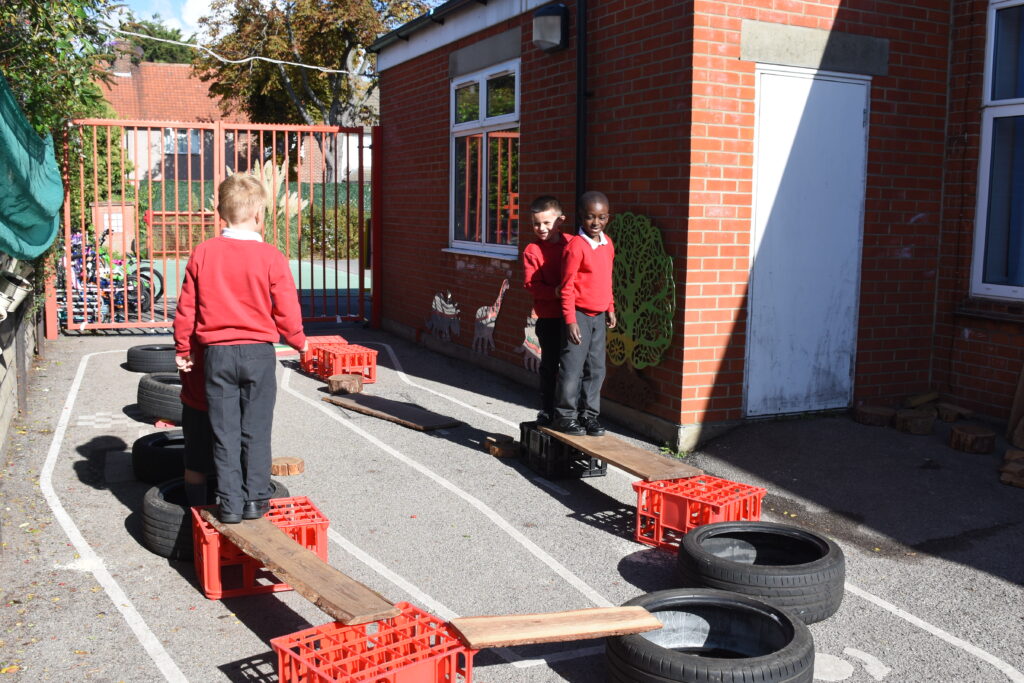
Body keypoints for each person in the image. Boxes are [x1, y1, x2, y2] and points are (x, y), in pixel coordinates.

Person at [173, 174, 307, 524]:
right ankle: (255, 499)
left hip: (217, 355)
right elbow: (286, 306)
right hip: (258, 354)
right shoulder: (270, 256)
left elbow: (187, 307)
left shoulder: (203, 252)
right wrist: (298, 340)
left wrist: (183, 348)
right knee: (256, 429)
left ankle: (229, 503)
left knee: (224, 430)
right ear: (260, 215)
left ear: (220, 212)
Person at [553, 191, 617, 437]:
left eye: (601, 217)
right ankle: (565, 416)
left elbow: (606, 279)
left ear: (608, 217)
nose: (596, 222)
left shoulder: (607, 243)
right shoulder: (576, 247)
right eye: (590, 217)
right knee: (572, 368)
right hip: (578, 315)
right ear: (581, 217)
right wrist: (570, 321)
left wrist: (610, 307)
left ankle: (588, 416)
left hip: (599, 316)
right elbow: (567, 287)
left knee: (597, 369)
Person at [522, 196, 569, 426]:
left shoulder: (571, 243)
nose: (541, 228)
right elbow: (532, 286)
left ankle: (571, 410)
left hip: (572, 317)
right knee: (549, 365)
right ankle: (547, 409)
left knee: (572, 366)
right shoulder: (532, 250)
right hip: (549, 318)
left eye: (547, 223)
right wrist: (556, 292)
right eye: (536, 224)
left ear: (559, 221)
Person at [179, 344, 213, 508]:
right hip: (202, 397)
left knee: (196, 461)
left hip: (197, 397)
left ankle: (196, 510)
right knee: (198, 462)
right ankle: (198, 509)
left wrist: (183, 350)